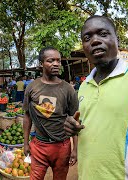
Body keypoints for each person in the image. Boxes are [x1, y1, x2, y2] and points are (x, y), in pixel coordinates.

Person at [64, 15, 128, 180]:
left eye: (103, 34)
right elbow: (91, 124)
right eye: (87, 38)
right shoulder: (84, 86)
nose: (95, 41)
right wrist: (73, 128)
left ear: (117, 40)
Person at [23, 47, 79, 180]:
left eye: (58, 61)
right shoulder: (32, 87)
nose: (56, 64)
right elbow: (27, 116)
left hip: (62, 146)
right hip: (39, 146)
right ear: (41, 64)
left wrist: (75, 149)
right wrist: (25, 143)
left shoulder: (68, 89)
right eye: (51, 60)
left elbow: (75, 121)